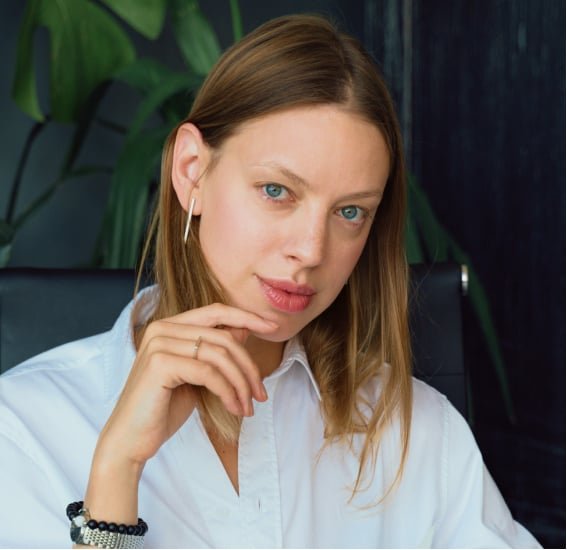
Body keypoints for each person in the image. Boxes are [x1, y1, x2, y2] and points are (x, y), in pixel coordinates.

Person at [0, 14, 540, 549]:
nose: (311, 250)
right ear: (191, 171)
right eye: (276, 191)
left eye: (350, 212)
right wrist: (117, 473)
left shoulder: (419, 434)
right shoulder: (23, 428)